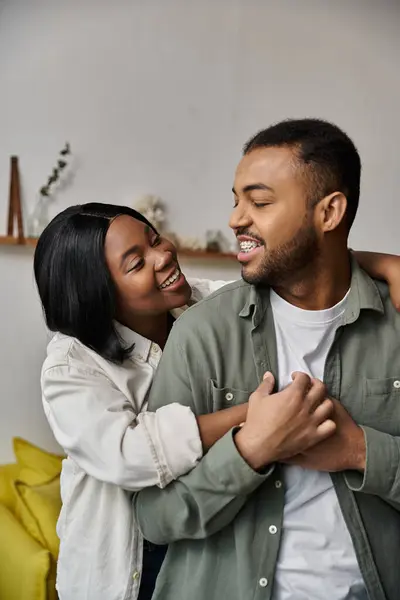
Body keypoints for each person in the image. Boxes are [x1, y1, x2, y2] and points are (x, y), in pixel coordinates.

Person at [134, 118, 400, 600]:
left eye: (258, 202)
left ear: (330, 212)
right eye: (236, 201)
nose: (237, 219)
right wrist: (250, 451)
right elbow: (154, 518)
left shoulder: (397, 324)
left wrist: (359, 451)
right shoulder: (202, 333)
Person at [34, 203, 251, 600]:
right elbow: (128, 452)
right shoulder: (69, 366)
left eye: (154, 238)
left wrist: (379, 266)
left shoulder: (201, 305)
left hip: (199, 540)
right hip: (123, 568)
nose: (164, 255)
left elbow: (278, 285)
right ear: (99, 296)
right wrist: (251, 418)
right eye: (136, 263)